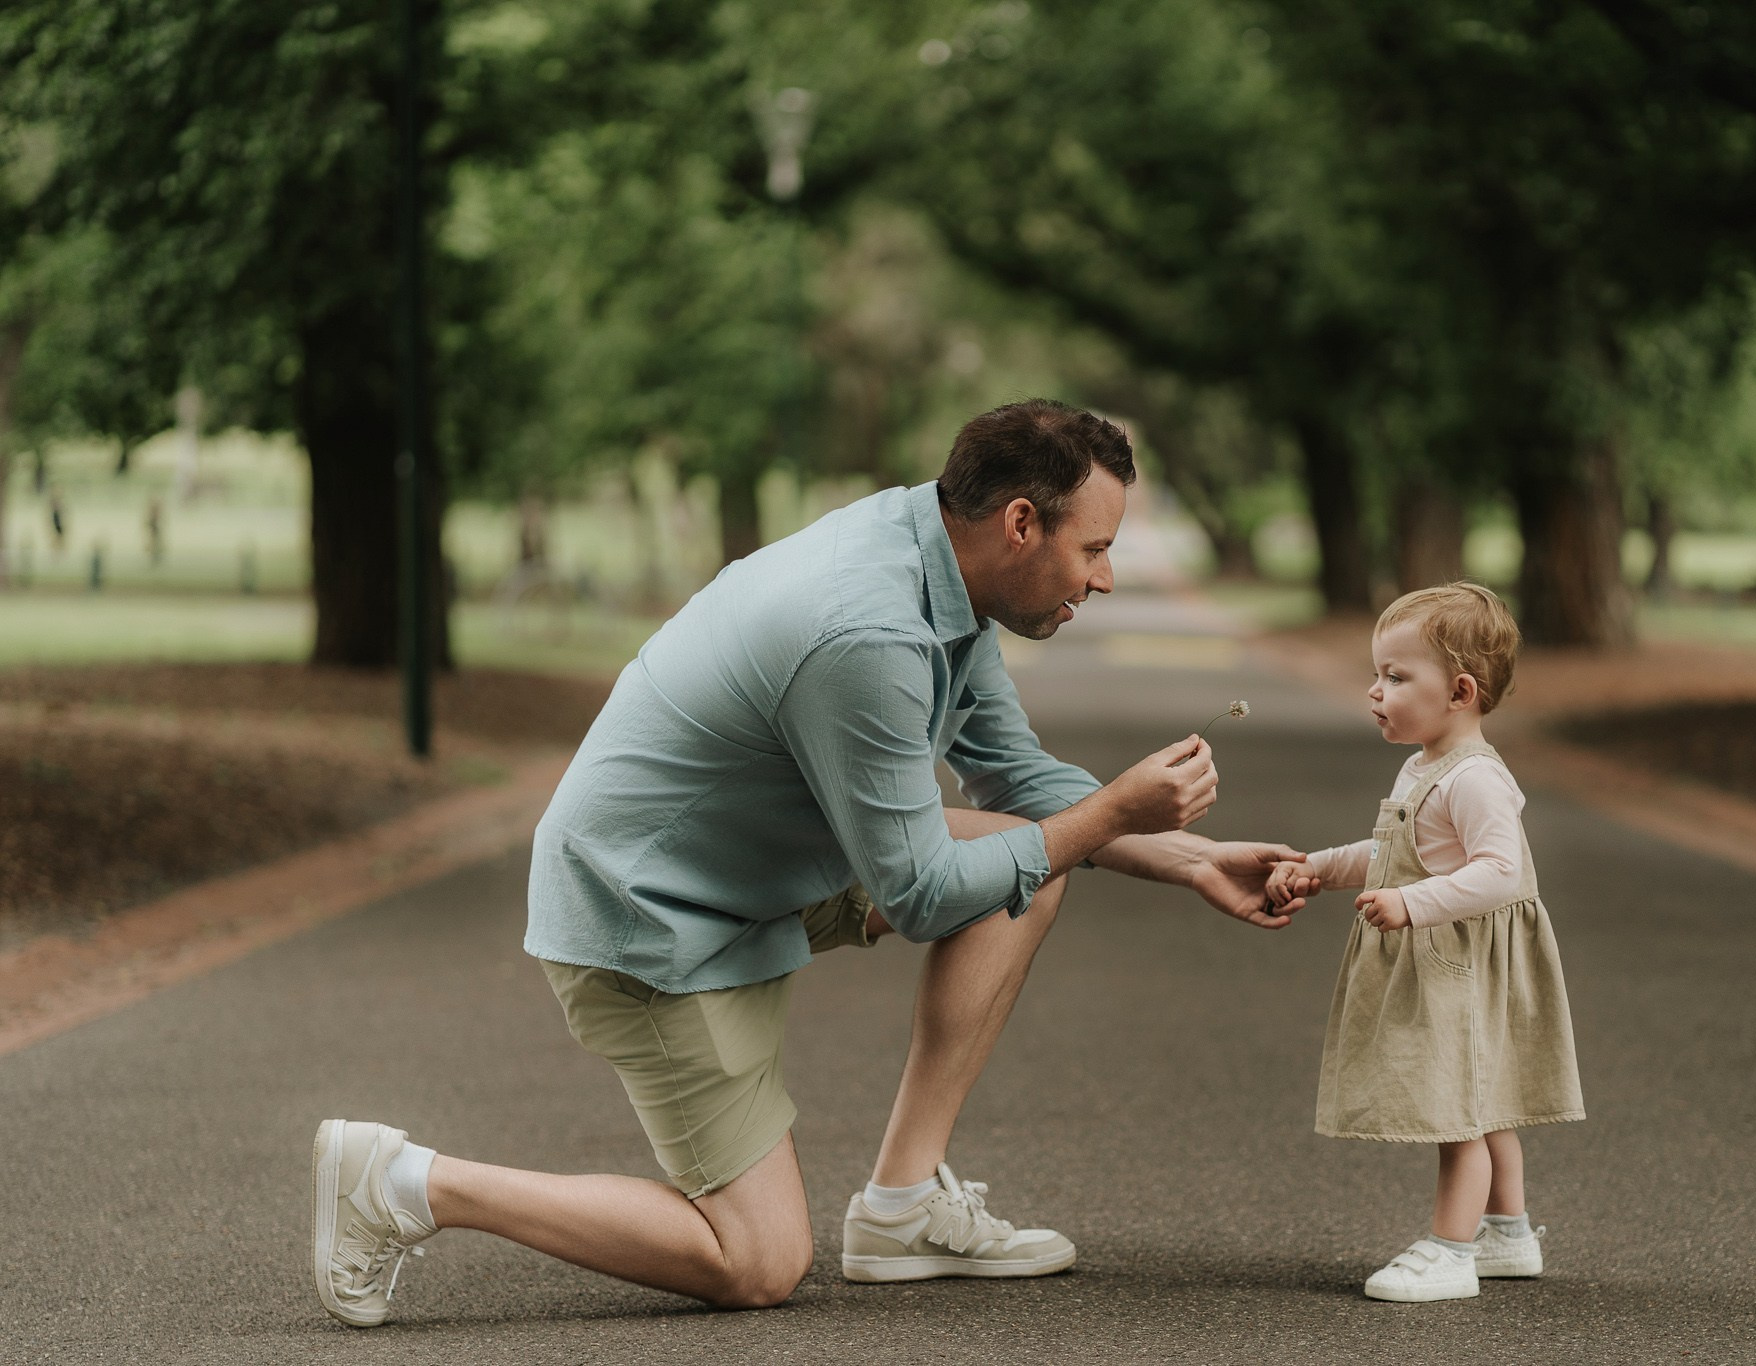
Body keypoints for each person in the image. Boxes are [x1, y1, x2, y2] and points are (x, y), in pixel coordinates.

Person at [312, 399, 1310, 1327]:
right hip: (649, 918)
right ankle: (404, 1181)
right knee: (757, 1262)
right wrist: (1109, 817)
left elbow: (1018, 781)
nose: (1101, 577)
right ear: (1018, 523)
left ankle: (902, 1205)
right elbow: (920, 892)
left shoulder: (938, 564)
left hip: (755, 868)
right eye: (1092, 547)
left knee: (1026, 865)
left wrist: (1190, 858)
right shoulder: (868, 628)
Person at [1266, 582, 1584, 1303]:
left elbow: (1501, 873)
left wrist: (1414, 903)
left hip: (1461, 965)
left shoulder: (1474, 780)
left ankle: (1450, 1250)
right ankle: (1508, 1233)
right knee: (1485, 1100)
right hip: (1448, 959)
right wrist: (1318, 869)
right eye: (1377, 674)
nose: (1375, 691)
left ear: (1461, 691)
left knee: (1457, 1112)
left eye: (1396, 677)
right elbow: (1394, 850)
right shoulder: (1425, 764)